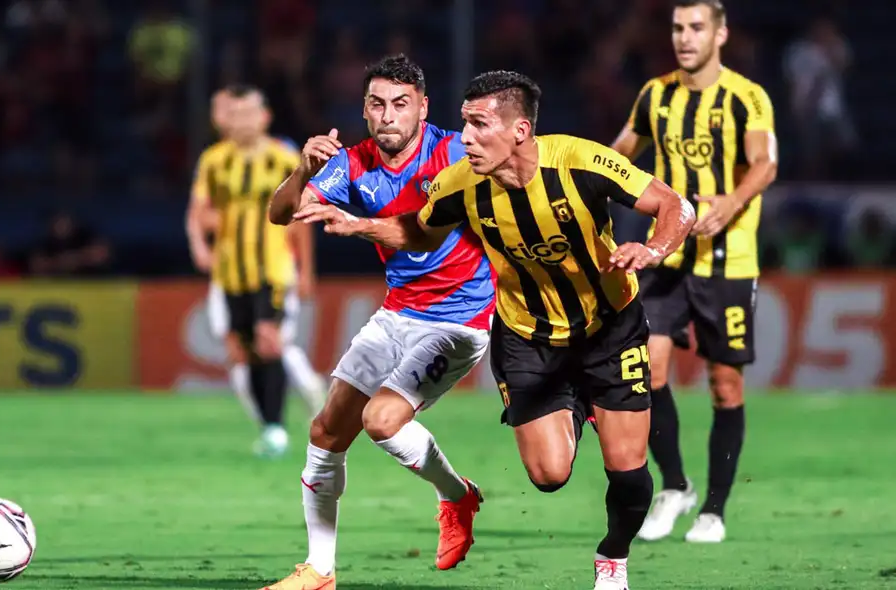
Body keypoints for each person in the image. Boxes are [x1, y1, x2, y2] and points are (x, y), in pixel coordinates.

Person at [296, 70, 694, 590]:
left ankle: (612, 558)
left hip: (608, 329)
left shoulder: (580, 161)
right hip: (528, 336)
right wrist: (360, 225)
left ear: (520, 131)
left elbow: (675, 205)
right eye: (464, 123)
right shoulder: (459, 183)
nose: (465, 137)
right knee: (549, 476)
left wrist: (653, 248)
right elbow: (420, 231)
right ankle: (577, 405)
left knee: (628, 474)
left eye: (480, 125)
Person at [262, 54, 494, 590]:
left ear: (423, 108)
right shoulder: (353, 162)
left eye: (400, 104)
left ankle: (456, 494)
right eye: (377, 104)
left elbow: (421, 232)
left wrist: (356, 224)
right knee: (325, 432)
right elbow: (280, 214)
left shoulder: (455, 153)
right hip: (398, 313)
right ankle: (319, 570)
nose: (388, 115)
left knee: (382, 422)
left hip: (459, 318)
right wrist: (302, 171)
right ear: (364, 110)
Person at [610, 0, 778, 543]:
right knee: (647, 369)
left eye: (697, 27)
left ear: (720, 34)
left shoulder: (747, 97)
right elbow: (620, 153)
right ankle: (676, 485)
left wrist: (730, 202)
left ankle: (714, 509)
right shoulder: (655, 95)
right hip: (666, 255)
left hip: (728, 260)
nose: (685, 37)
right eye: (678, 27)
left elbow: (764, 163)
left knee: (725, 385)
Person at [186, 85, 324, 458]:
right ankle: (269, 425)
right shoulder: (215, 160)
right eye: (236, 114)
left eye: (249, 114)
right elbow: (200, 210)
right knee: (244, 351)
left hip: (273, 267)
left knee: (269, 340)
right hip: (230, 271)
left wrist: (306, 270)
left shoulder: (283, 158)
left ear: (265, 118)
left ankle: (276, 426)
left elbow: (300, 218)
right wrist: (201, 244)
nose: (242, 121)